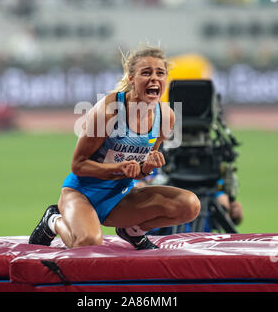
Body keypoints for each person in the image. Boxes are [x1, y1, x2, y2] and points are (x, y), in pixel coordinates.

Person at [29, 45, 201, 250]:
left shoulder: (165, 117)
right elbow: (78, 165)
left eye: (160, 73)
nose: (154, 78)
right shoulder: (109, 111)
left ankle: (133, 231)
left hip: (121, 196)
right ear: (131, 78)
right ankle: (54, 219)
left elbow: (138, 172)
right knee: (88, 244)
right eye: (146, 72)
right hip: (83, 193)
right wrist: (118, 169)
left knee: (189, 205)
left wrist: (147, 167)